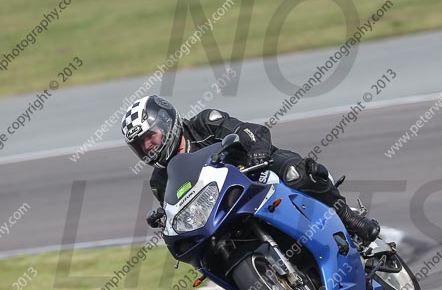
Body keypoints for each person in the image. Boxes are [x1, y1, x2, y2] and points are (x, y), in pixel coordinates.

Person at [121, 95, 380, 244]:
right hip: (226, 209)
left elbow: (250, 130)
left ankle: (349, 219)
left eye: (150, 137)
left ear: (166, 124)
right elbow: (176, 210)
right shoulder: (160, 180)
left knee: (297, 173)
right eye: (140, 145)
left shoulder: (204, 123)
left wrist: (255, 149)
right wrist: (166, 221)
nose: (148, 146)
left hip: (259, 172)